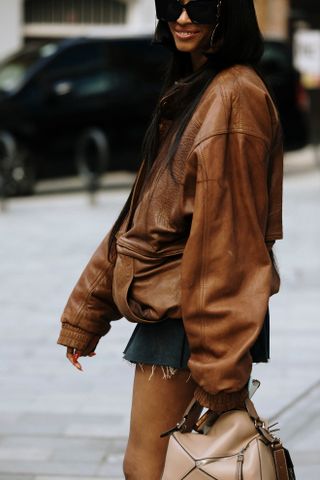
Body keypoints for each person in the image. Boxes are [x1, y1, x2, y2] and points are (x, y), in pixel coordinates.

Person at [57, 0, 283, 478]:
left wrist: (220, 374)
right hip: (179, 312)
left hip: (193, 318)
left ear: (231, 11)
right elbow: (140, 219)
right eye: (170, 4)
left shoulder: (233, 97)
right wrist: (87, 312)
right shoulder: (196, 92)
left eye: (199, 3)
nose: (181, 17)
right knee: (172, 468)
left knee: (155, 469)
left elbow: (233, 247)